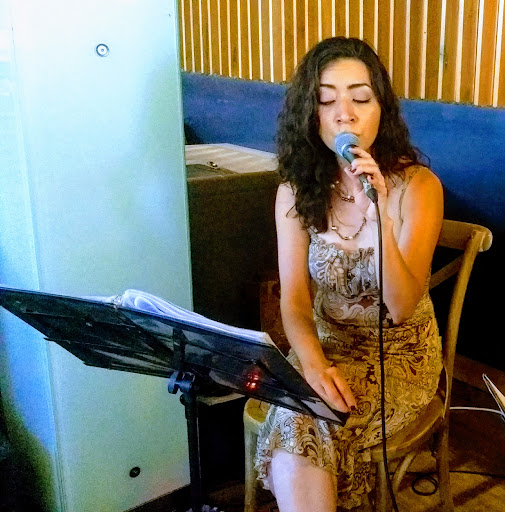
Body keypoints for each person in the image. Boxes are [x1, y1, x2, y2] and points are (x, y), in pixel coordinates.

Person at [254, 37, 444, 511]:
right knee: (301, 416)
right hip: (326, 348)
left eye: (361, 98)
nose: (345, 114)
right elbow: (294, 301)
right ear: (310, 114)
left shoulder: (418, 187)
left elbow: (401, 307)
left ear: (382, 110)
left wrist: (379, 219)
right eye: (326, 100)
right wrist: (314, 364)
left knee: (301, 424)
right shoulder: (294, 192)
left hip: (400, 359)